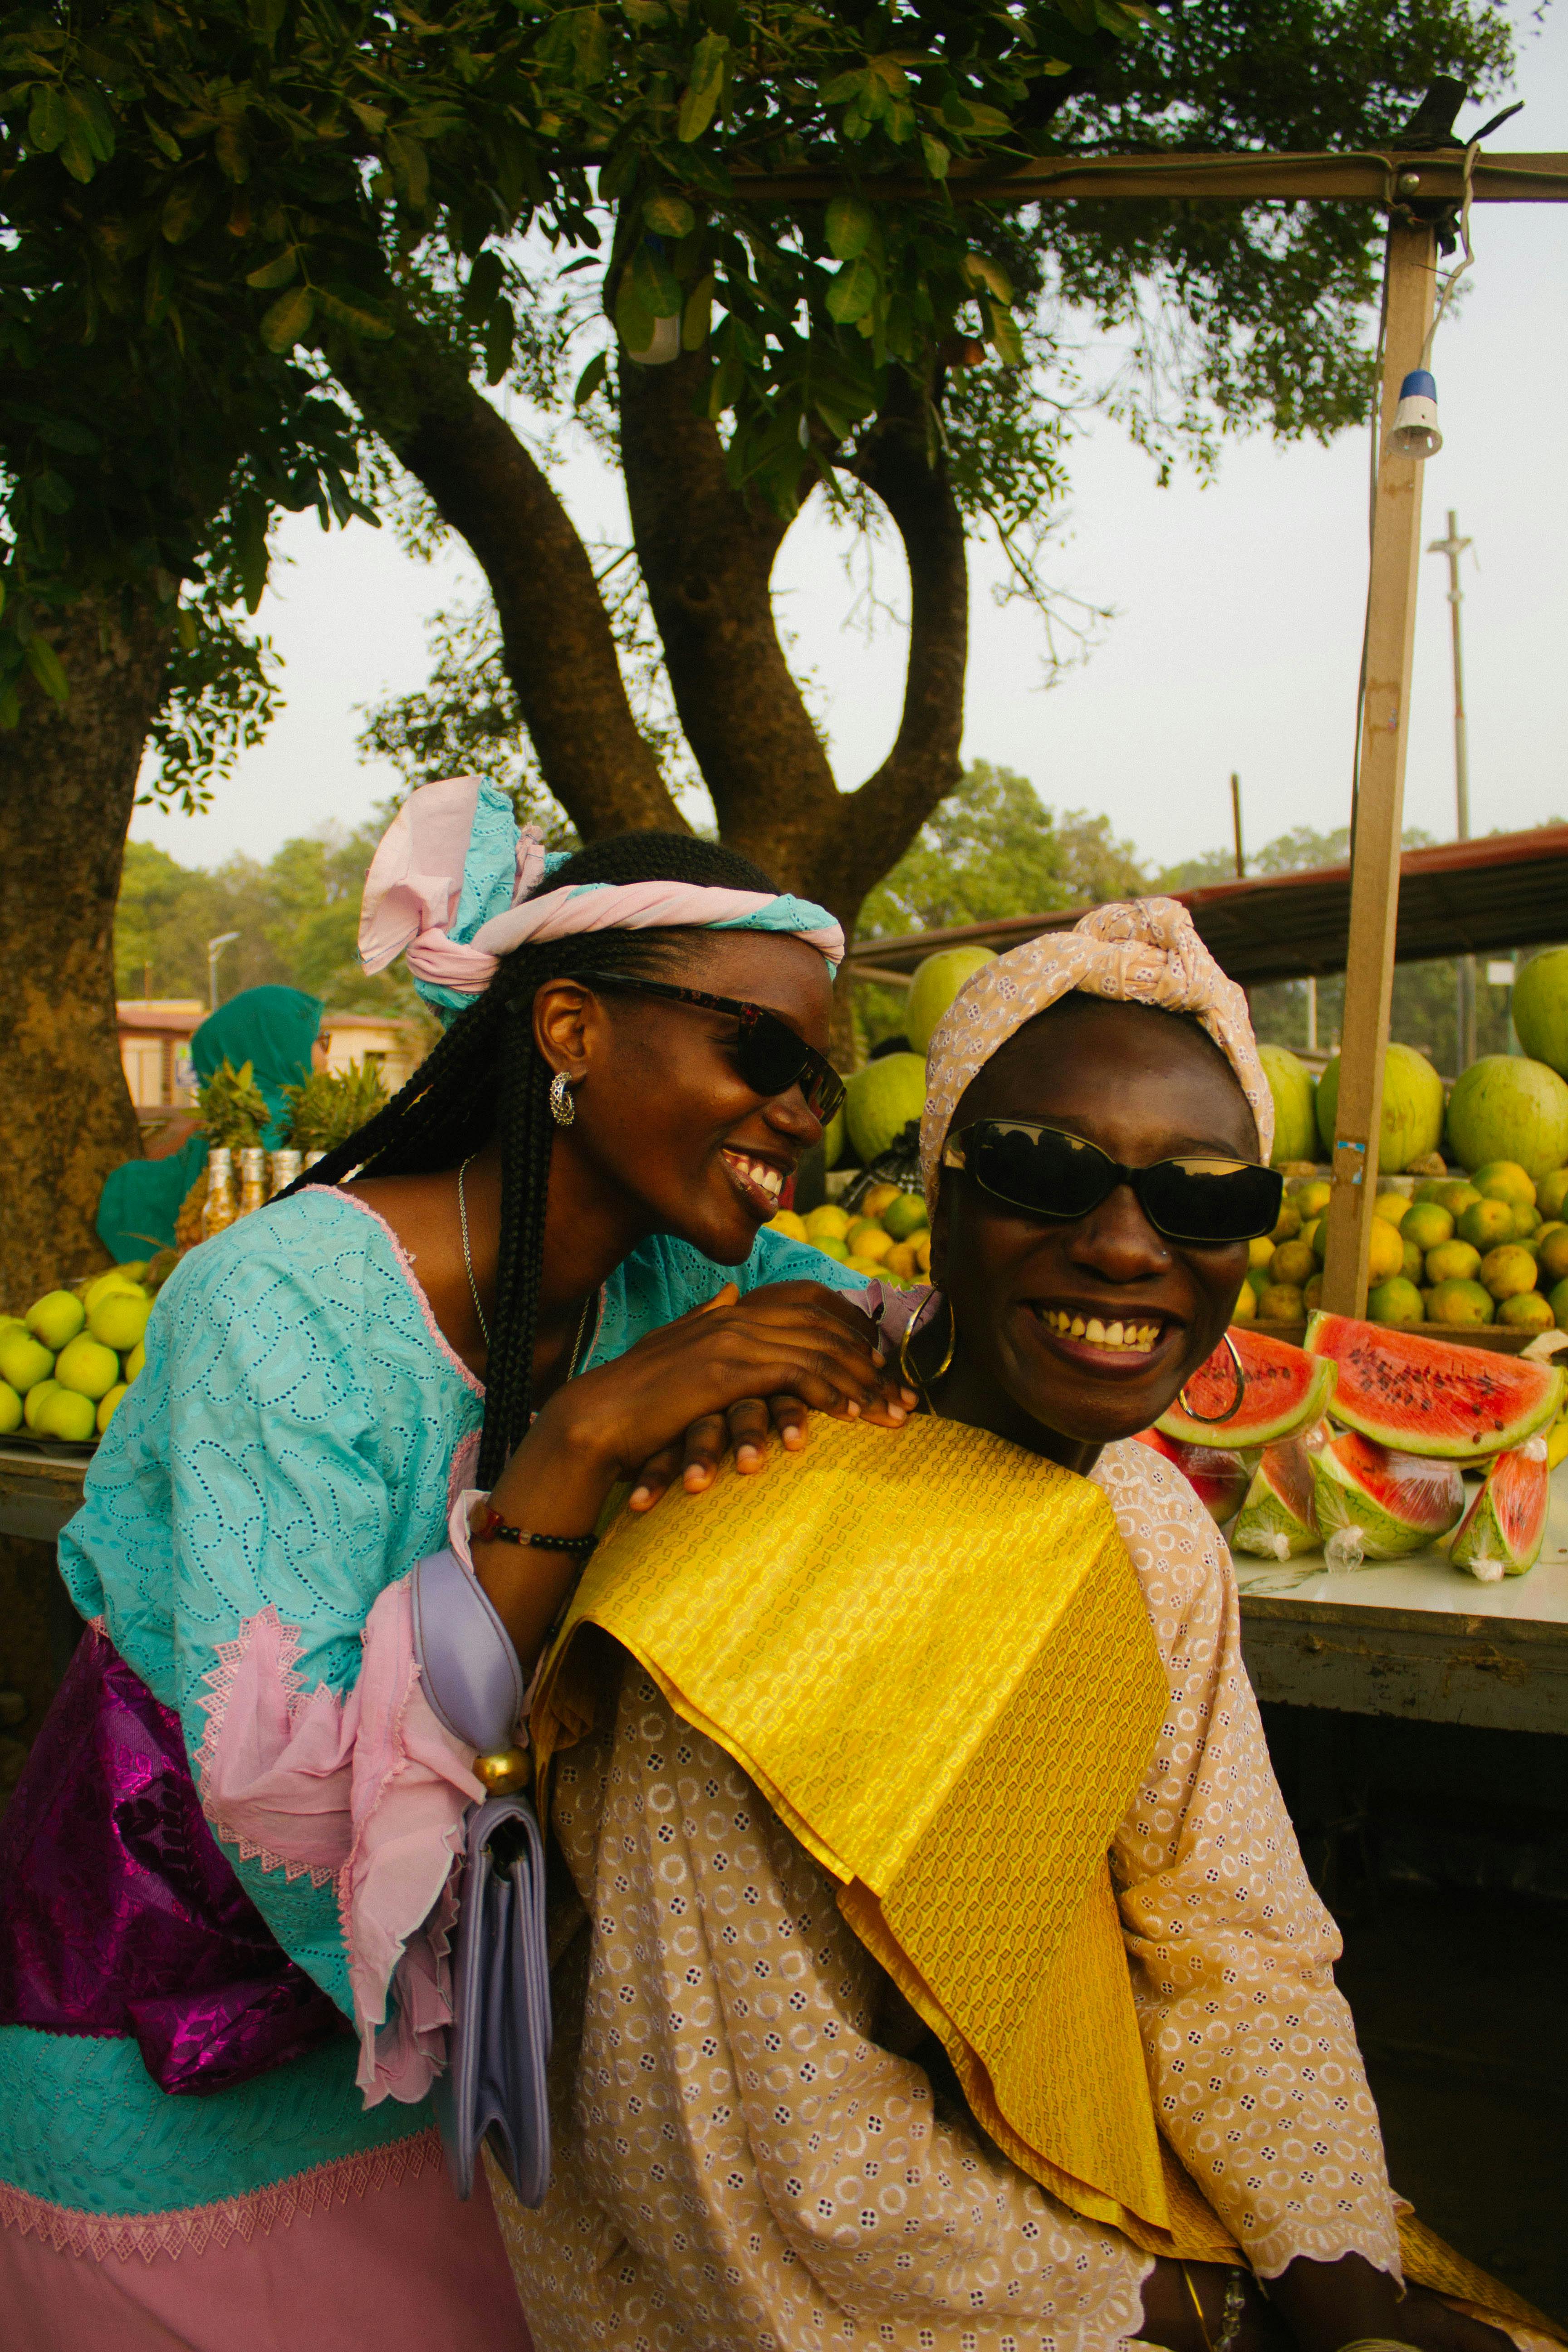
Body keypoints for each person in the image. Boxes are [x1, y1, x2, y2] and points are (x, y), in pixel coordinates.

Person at [452, 900, 1556, 2352]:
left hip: (1099, 2201)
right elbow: (769, 2175)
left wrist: (1341, 2280)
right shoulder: (737, 1567)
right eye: (1045, 1172)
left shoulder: (1154, 1533)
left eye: (1206, 1198)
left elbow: (1236, 1943)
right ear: (941, 1191)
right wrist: (1222, 2316)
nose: (1122, 1248)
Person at [0, 780, 911, 2349]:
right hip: (173, 2043)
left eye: (817, 1088)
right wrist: (579, 1448)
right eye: (758, 1054)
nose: (793, 1116)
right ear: (566, 1027)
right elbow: (278, 1788)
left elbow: (898, 1328)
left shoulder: (688, 1271)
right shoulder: (273, 1308)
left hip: (457, 2038)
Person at [96, 983, 327, 1262]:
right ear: (282, 1046)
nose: (325, 1053)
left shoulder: (216, 1130)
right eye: (320, 1040)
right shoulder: (289, 1128)